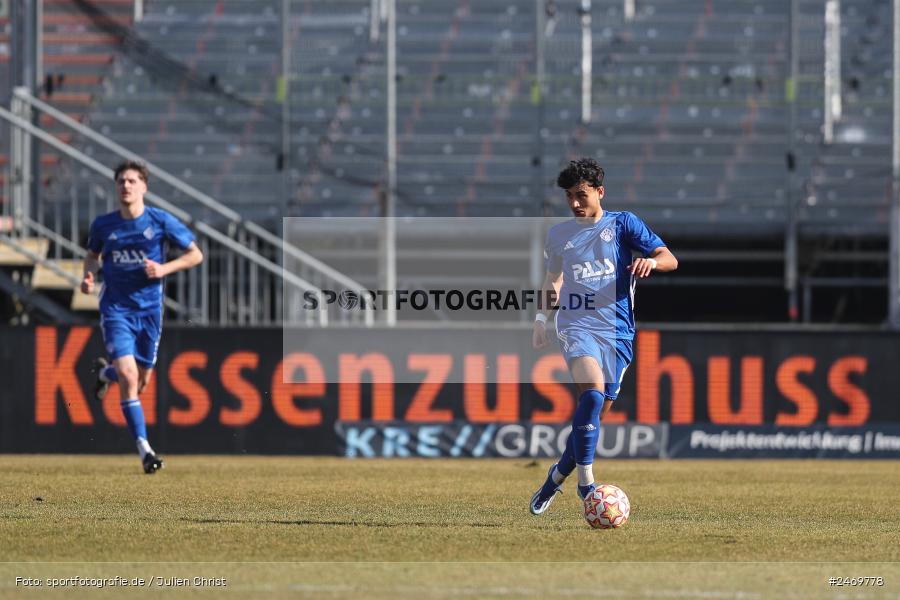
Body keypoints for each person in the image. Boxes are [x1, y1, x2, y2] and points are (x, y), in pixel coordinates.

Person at [529, 157, 677, 514]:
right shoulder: (559, 235)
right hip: (577, 325)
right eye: (569, 197)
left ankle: (555, 477)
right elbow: (554, 279)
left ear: (600, 192)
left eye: (581, 195)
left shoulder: (624, 225)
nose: (575, 204)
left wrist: (651, 262)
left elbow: (669, 257)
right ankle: (586, 484)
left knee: (592, 414)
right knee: (592, 396)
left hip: (618, 333)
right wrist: (541, 317)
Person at [81, 161, 203, 474]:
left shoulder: (160, 221)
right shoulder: (104, 226)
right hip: (116, 309)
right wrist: (88, 277)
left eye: (132, 181)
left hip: (150, 312)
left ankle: (104, 374)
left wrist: (164, 269)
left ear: (144, 187)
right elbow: (93, 256)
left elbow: (195, 254)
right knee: (130, 377)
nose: (126, 186)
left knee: (141, 381)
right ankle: (145, 451)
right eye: (121, 181)